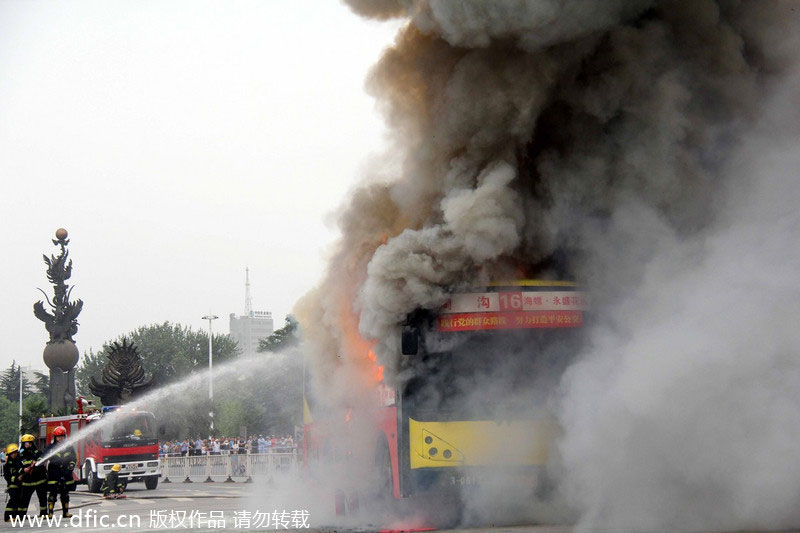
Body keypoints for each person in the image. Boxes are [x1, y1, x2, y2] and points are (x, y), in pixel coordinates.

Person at [45, 426, 76, 518]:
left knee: (65, 494)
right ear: (55, 437)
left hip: (66, 472)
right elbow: (44, 456)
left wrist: (71, 464)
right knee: (52, 494)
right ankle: (50, 513)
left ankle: (65, 513)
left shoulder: (69, 446)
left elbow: (74, 457)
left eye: (62, 436)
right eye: (58, 437)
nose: (60, 438)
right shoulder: (51, 447)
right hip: (54, 473)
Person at [18, 434, 47, 517]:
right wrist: (23, 470)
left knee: (42, 497)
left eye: (29, 443)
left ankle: (44, 513)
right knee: (24, 499)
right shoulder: (20, 454)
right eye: (26, 443)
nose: (28, 445)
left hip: (39, 479)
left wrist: (37, 461)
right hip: (28, 480)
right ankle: (21, 515)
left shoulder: (37, 452)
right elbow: (18, 466)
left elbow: (42, 458)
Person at [3, 443, 22, 521]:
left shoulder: (18, 462)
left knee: (18, 500)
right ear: (9, 454)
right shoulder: (7, 465)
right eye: (12, 453)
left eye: (15, 452)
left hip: (20, 485)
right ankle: (7, 517)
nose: (14, 454)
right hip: (12, 485)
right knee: (13, 501)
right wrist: (16, 478)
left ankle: (15, 516)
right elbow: (7, 476)